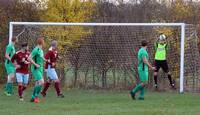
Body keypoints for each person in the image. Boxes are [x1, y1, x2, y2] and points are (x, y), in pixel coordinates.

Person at [28, 37, 45, 103]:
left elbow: (41, 57)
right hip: (35, 68)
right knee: (41, 82)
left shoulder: (41, 50)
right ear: (41, 42)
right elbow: (29, 58)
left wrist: (46, 60)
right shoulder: (36, 49)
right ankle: (36, 96)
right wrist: (35, 64)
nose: (44, 42)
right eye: (43, 41)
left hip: (40, 68)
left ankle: (33, 97)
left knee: (37, 83)